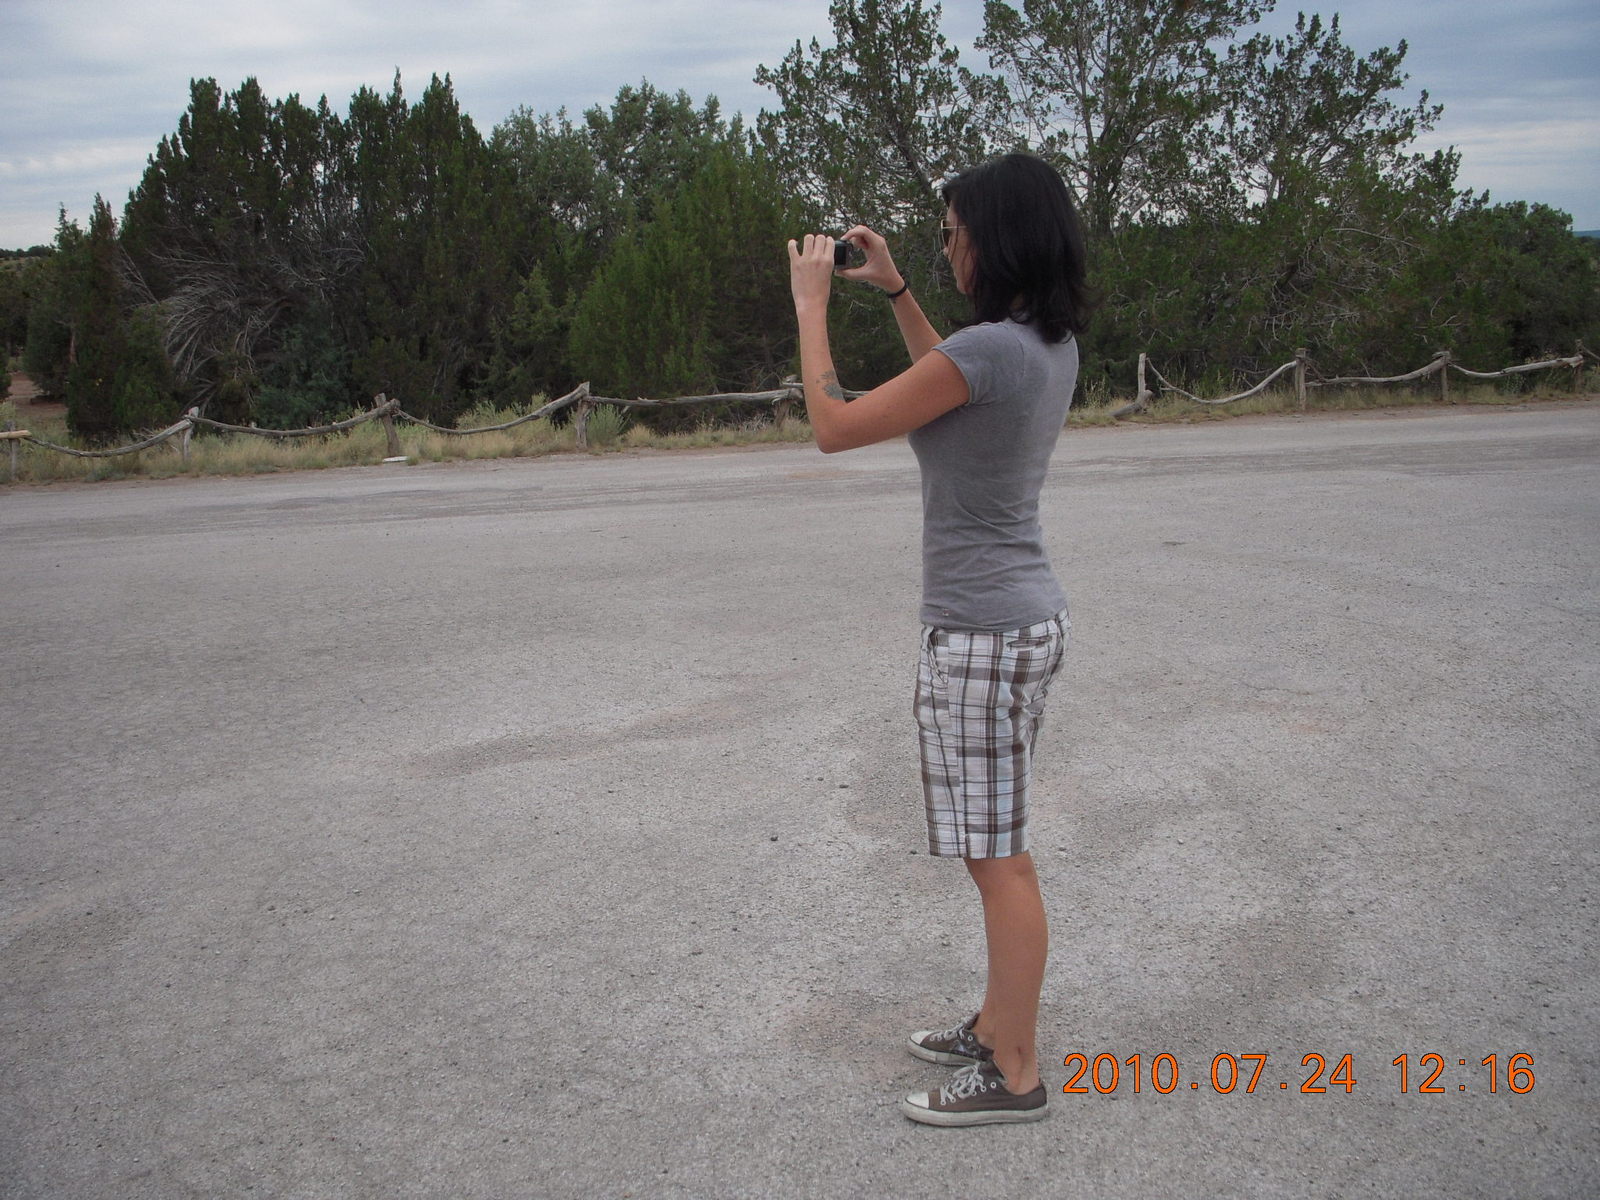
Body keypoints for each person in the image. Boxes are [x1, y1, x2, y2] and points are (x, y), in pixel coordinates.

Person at [786, 152, 1093, 1127]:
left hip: (983, 634)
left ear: (995, 240)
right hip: (1019, 620)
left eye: (954, 233)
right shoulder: (1036, 344)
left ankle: (1014, 1072)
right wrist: (895, 291)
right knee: (992, 849)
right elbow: (948, 374)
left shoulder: (993, 352)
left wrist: (811, 305)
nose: (948, 247)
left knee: (999, 860)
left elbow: (834, 427)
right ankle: (997, 1025)